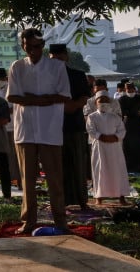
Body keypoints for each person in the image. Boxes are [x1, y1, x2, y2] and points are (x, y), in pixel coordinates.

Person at [6, 28, 71, 234]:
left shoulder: (57, 66)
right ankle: (28, 220)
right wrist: (44, 99)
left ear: (43, 46)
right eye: (27, 47)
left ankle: (60, 220)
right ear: (22, 46)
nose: (32, 51)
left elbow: (64, 95)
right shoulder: (17, 66)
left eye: (35, 47)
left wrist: (31, 99)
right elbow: (13, 97)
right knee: (27, 179)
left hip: (50, 129)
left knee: (54, 178)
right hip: (25, 129)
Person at [49, 44, 91, 211]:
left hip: (74, 125)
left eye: (60, 57)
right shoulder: (45, 77)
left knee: (78, 165)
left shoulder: (77, 75)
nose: (57, 61)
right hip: (52, 127)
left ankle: (82, 200)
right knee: (56, 167)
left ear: (66, 57)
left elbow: (83, 98)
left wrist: (70, 105)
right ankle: (60, 201)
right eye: (54, 58)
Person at [85, 91, 130, 205]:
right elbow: (91, 130)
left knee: (118, 170)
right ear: (96, 103)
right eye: (101, 100)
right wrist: (102, 137)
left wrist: (115, 137)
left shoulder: (115, 117)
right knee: (100, 170)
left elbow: (122, 130)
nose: (104, 103)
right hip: (99, 147)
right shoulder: (92, 116)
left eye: (106, 100)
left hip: (115, 147)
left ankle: (121, 196)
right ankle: (99, 197)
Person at [118, 82, 140, 173]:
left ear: (134, 89)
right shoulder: (122, 99)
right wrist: (135, 112)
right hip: (129, 126)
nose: (129, 90)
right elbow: (123, 112)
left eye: (131, 88)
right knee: (129, 146)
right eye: (127, 89)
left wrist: (131, 112)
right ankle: (130, 167)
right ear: (125, 89)